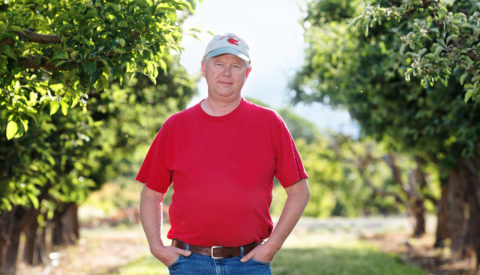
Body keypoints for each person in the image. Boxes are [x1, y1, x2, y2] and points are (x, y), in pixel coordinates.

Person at [137, 32, 310, 275]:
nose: (226, 73)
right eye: (219, 64)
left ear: (247, 73)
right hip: (190, 263)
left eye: (236, 66)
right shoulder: (176, 126)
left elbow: (299, 191)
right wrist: (157, 247)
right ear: (204, 68)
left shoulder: (269, 123)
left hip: (249, 264)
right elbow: (151, 194)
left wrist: (272, 246)